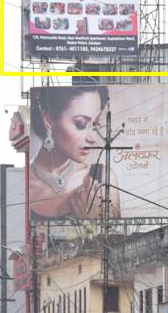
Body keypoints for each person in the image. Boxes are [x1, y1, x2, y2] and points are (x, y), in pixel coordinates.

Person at [29, 86, 121, 220]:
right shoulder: (20, 184)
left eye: (95, 125)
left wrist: (92, 222)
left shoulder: (102, 179)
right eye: (81, 124)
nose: (93, 138)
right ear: (48, 120)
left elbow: (121, 240)